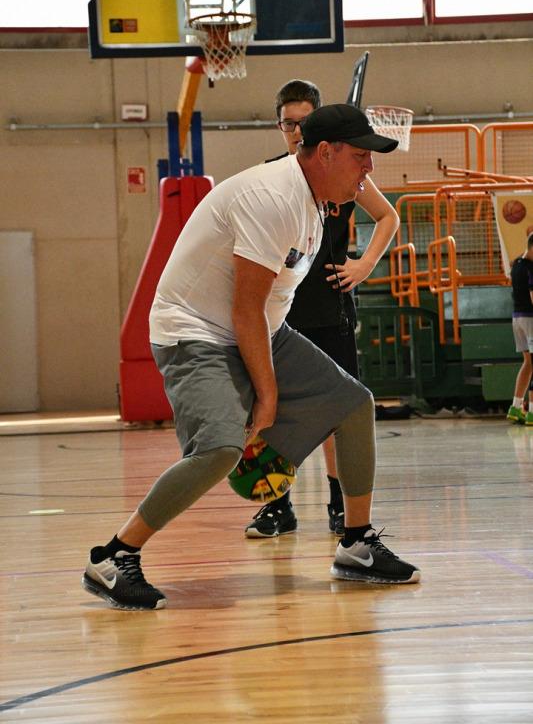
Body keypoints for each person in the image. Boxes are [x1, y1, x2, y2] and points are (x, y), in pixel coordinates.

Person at [82, 103, 421, 611]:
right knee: (220, 449)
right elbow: (245, 310)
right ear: (325, 154)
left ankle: (355, 545)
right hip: (195, 332)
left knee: (354, 404)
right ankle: (114, 557)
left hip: (260, 327)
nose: (369, 168)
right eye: (361, 156)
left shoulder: (313, 199)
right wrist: (268, 395)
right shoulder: (273, 198)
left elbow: (259, 312)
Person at [244, 80, 398, 539]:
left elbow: (388, 216)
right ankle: (276, 505)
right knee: (269, 407)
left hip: (330, 307)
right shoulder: (272, 180)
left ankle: (338, 504)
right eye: (288, 123)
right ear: (279, 126)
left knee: (338, 410)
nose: (296, 131)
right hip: (281, 313)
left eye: (304, 122)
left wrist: (364, 265)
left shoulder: (346, 176)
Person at [507, 232, 533, 425]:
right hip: (530, 319)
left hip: (517, 319)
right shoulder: (531, 267)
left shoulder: (516, 264)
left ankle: (516, 407)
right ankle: (532, 411)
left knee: (528, 363)